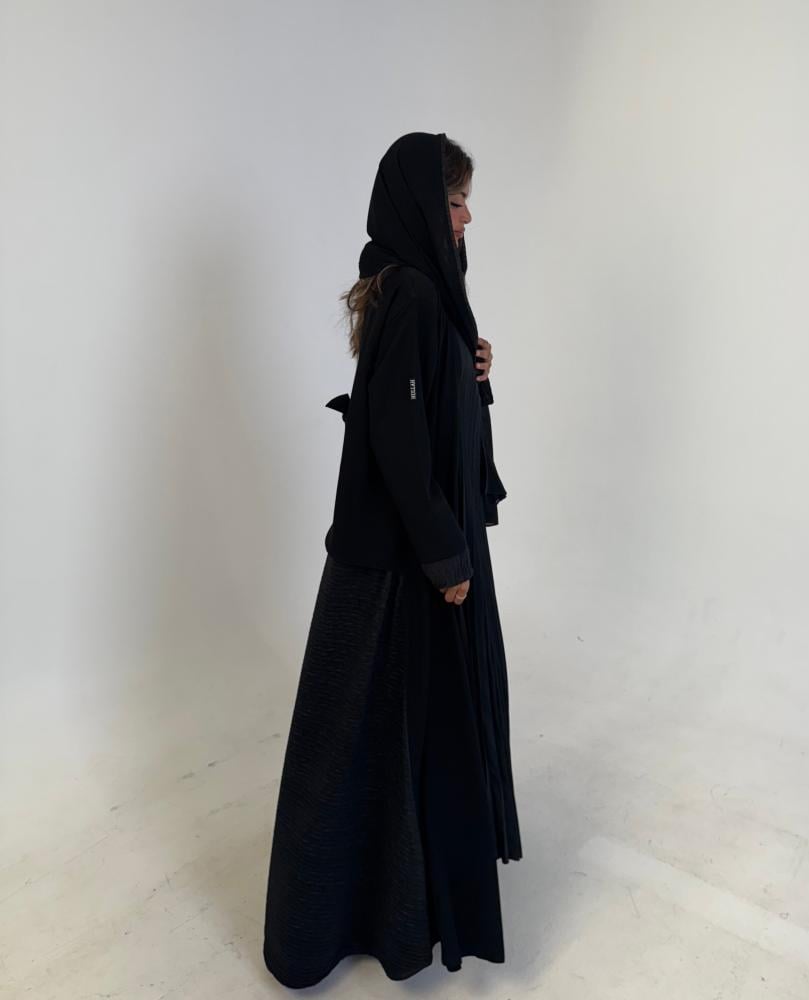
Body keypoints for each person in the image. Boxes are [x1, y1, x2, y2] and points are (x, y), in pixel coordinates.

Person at [261, 131, 522, 986]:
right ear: (420, 206)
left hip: (413, 547)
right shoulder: (410, 292)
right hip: (398, 561)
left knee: (381, 738)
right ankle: (336, 924)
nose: (467, 217)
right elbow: (399, 440)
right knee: (364, 741)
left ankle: (390, 908)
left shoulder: (423, 293)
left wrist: (472, 369)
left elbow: (420, 405)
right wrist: (447, 557)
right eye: (454, 201)